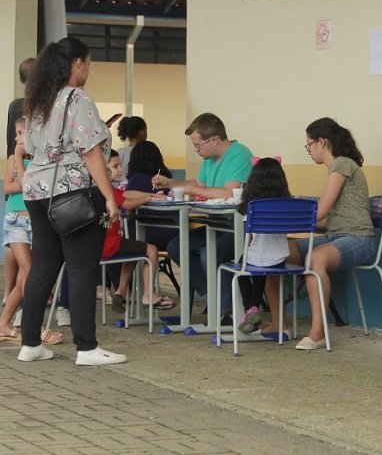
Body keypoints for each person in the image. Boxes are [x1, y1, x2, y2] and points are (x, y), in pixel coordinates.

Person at [16, 36, 124, 366]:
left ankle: (30, 343)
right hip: (73, 192)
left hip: (36, 192)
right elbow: (90, 150)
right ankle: (87, 347)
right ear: (77, 63)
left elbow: (32, 148)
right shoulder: (77, 98)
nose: (88, 70)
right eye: (88, 63)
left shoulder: (38, 101)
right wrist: (109, 196)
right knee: (81, 268)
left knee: (43, 266)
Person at [280, 117, 376, 351]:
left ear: (322, 142)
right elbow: (324, 217)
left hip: (359, 238)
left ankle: (318, 332)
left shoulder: (342, 165)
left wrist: (286, 219)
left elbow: (321, 211)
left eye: (309, 144)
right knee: (281, 251)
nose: (309, 150)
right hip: (336, 235)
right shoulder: (337, 167)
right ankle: (279, 323)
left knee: (316, 258)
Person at [153, 113, 253, 316]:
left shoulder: (239, 154)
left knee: (210, 252)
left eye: (198, 145)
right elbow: (198, 185)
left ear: (214, 140)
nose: (196, 150)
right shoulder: (209, 160)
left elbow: (228, 193)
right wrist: (170, 183)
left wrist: (194, 191)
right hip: (216, 225)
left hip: (240, 227)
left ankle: (228, 312)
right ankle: (211, 295)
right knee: (176, 246)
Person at [0, 117, 63, 345]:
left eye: (21, 133)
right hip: (16, 221)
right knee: (33, 274)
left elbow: (26, 185)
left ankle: (3, 324)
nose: (16, 138)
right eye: (16, 133)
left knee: (25, 279)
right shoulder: (14, 159)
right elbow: (11, 186)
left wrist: (24, 179)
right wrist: (20, 161)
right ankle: (36, 326)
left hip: (37, 223)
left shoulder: (44, 160)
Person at [103, 150, 171, 311]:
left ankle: (121, 290)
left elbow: (127, 196)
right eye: (115, 166)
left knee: (134, 248)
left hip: (101, 244)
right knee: (151, 250)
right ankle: (148, 295)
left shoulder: (105, 189)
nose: (120, 169)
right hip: (108, 245)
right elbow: (127, 204)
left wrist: (152, 195)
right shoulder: (109, 191)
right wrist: (149, 197)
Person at [234, 157, 292, 335]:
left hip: (258, 257)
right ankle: (252, 310)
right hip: (281, 256)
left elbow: (249, 239)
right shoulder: (288, 204)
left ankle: (251, 309)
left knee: (242, 269)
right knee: (261, 265)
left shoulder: (252, 206)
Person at [3, 57, 37, 317]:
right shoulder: (38, 106)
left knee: (21, 256)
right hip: (25, 179)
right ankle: (17, 305)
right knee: (28, 262)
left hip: (20, 171)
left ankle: (11, 297)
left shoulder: (15, 105)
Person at [116, 116, 148, 186]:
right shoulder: (147, 151)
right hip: (141, 189)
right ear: (142, 132)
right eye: (146, 130)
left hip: (121, 189)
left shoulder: (119, 152)